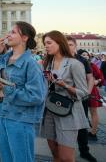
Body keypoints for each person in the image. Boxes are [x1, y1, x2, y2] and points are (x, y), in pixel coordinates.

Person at [0, 21, 46, 162]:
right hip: (1, 113)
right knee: (6, 158)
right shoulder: (3, 58)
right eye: (9, 32)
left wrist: (4, 88)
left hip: (20, 118)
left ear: (25, 37)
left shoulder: (31, 64)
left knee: (21, 158)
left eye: (13, 32)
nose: (8, 34)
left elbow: (36, 96)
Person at [41, 31, 89, 162]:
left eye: (49, 43)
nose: (46, 46)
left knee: (66, 157)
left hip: (68, 112)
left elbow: (83, 92)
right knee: (55, 153)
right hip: (50, 110)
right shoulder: (47, 63)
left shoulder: (74, 64)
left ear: (59, 43)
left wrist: (65, 85)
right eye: (45, 43)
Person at [66, 36, 97, 162]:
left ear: (75, 46)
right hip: (64, 98)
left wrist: (87, 93)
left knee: (82, 126)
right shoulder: (59, 58)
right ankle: (63, 151)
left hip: (80, 98)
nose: (68, 47)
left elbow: (90, 78)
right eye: (66, 44)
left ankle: (84, 151)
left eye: (71, 45)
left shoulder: (82, 60)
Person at [79, 50, 104, 141]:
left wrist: (97, 81)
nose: (85, 56)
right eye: (83, 55)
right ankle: (81, 132)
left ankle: (93, 132)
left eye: (87, 55)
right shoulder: (76, 65)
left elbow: (101, 77)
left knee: (93, 112)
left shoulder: (92, 65)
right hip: (79, 92)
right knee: (81, 113)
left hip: (92, 92)